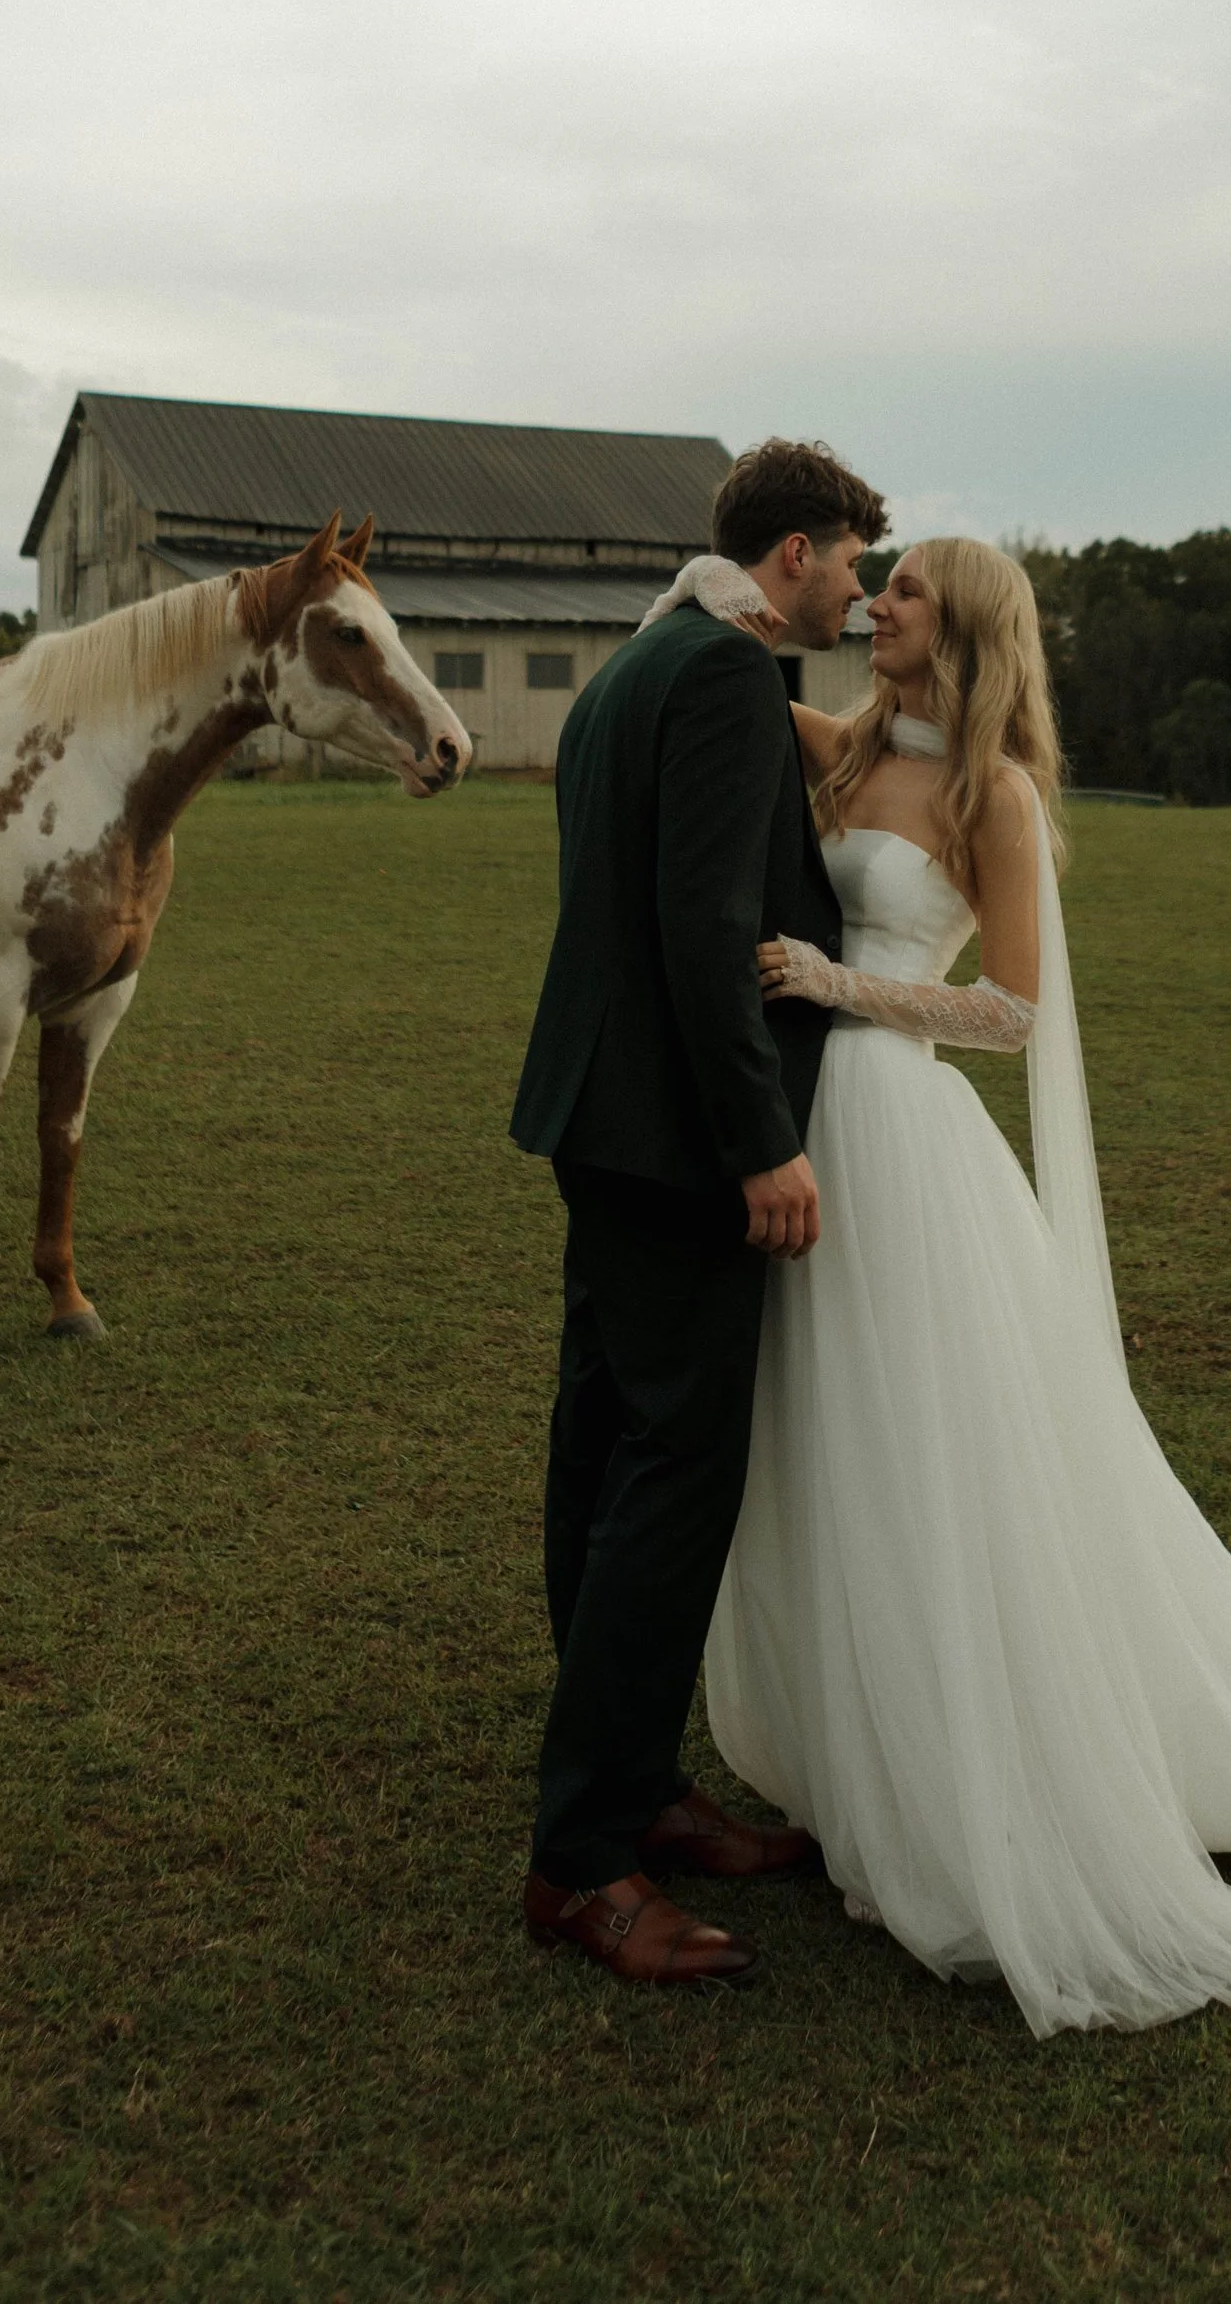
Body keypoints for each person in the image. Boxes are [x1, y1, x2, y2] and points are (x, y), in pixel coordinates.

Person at [694, 534, 1231, 2033]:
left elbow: (1012, 1010)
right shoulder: (840, 744)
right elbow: (714, 686)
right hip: (811, 1130)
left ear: (957, 633)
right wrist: (709, 589)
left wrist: (842, 984)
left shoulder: (995, 794)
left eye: (902, 596)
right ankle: (858, 1744)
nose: (875, 605)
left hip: (902, 1131)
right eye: (872, 586)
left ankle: (970, 1769)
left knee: (930, 1459)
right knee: (831, 1448)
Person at [509, 436, 890, 1985]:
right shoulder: (726, 678)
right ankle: (586, 1859)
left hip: (596, 1114)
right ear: (792, 554)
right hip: (676, 1137)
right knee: (674, 1473)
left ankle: (634, 1783)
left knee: (601, 1443)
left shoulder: (629, 666)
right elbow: (703, 925)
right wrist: (759, 1142)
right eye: (856, 558)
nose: (863, 587)